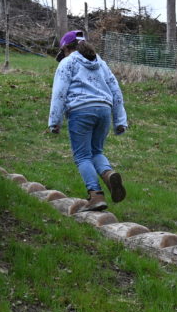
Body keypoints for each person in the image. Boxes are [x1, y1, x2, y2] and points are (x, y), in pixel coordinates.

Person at [48, 30, 129, 212]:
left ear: (67, 48)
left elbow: (59, 93)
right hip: (104, 111)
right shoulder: (101, 64)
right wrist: (120, 121)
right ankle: (109, 175)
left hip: (81, 111)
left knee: (82, 156)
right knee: (96, 151)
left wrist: (55, 122)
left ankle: (96, 195)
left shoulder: (67, 63)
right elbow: (116, 91)